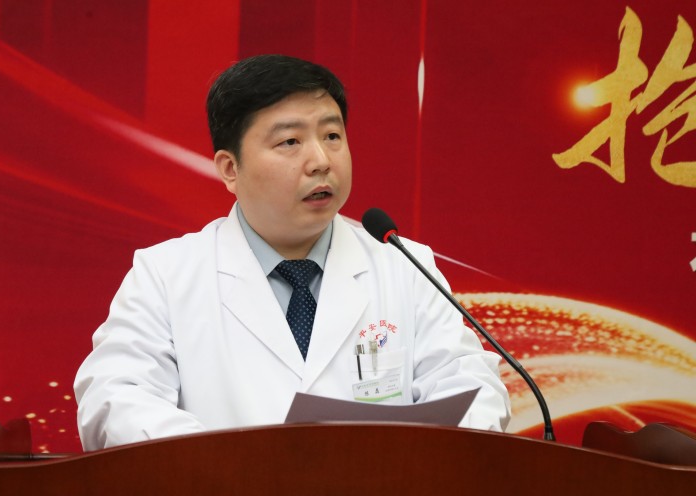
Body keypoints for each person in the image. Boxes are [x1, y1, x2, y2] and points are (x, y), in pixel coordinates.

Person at [74, 54, 510, 451]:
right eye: (290, 142)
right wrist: (236, 471)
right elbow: (115, 400)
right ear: (230, 168)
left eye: (332, 135)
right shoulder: (165, 275)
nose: (321, 160)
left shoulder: (404, 265)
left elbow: (474, 388)